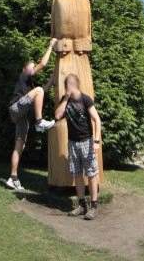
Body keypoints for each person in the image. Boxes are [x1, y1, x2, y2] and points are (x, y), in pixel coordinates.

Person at [5, 38, 58, 190]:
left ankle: (13, 178)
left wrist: (53, 77)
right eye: (30, 68)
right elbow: (43, 64)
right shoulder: (23, 77)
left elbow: (44, 90)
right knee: (39, 91)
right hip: (16, 108)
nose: (32, 69)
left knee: (20, 146)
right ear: (24, 70)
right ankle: (39, 121)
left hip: (20, 116)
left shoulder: (29, 86)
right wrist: (50, 46)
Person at [54, 73, 101, 219]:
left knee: (92, 174)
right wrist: (66, 98)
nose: (67, 89)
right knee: (77, 174)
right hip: (72, 143)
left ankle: (93, 205)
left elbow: (97, 119)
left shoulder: (85, 99)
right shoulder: (65, 100)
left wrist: (96, 141)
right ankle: (81, 205)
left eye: (68, 86)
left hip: (87, 141)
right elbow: (57, 116)